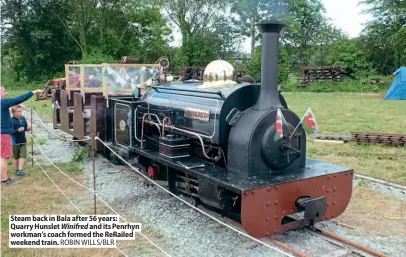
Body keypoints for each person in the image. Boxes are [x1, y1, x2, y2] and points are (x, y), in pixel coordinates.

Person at [1, 86, 41, 186]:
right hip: (4, 134)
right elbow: (18, 99)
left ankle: (4, 177)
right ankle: (4, 180)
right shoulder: (2, 102)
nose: (6, 93)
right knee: (4, 157)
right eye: (4, 91)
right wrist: (33, 92)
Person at [11, 105, 30, 176]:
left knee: (23, 155)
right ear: (13, 112)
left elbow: (25, 127)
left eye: (21, 111)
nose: (20, 112)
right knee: (16, 157)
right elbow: (10, 132)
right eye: (18, 111)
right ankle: (16, 170)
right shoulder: (11, 121)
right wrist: (17, 130)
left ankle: (20, 170)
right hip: (15, 142)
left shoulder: (23, 118)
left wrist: (28, 128)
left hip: (23, 141)